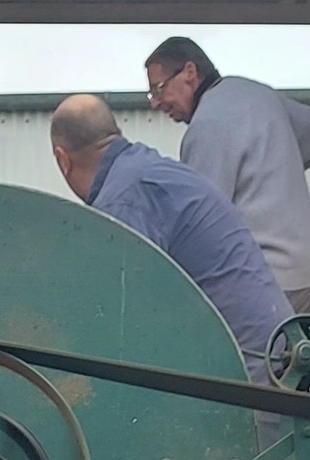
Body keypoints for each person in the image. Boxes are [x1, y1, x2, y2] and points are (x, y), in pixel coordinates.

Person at [49, 95, 287, 382]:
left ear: (63, 160)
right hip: (271, 346)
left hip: (248, 371)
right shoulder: (141, 168)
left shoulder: (124, 201)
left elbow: (121, 319)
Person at [145, 36, 310, 315]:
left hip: (268, 279)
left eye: (160, 89)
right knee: (302, 357)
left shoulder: (206, 127)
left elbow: (199, 223)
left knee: (248, 358)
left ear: (190, 72)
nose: (157, 103)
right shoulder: (253, 92)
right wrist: (278, 162)